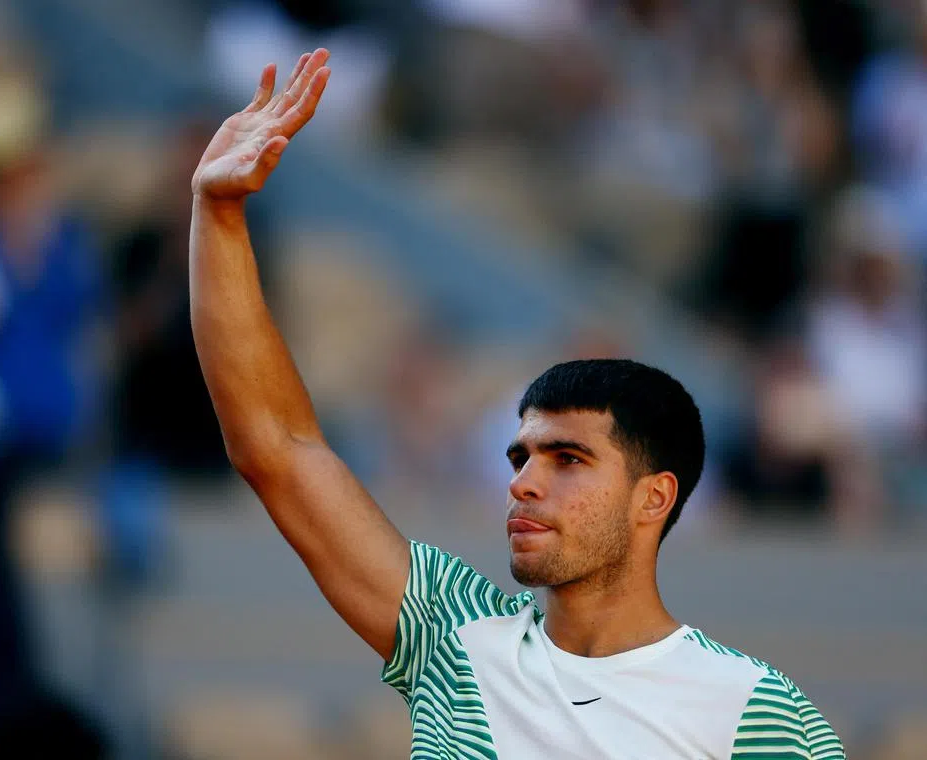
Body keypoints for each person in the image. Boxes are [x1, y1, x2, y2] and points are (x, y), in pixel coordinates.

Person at [189, 49, 846, 758]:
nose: (524, 483)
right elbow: (278, 448)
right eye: (521, 457)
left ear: (653, 497)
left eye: (569, 459)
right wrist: (218, 213)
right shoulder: (451, 636)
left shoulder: (758, 712)